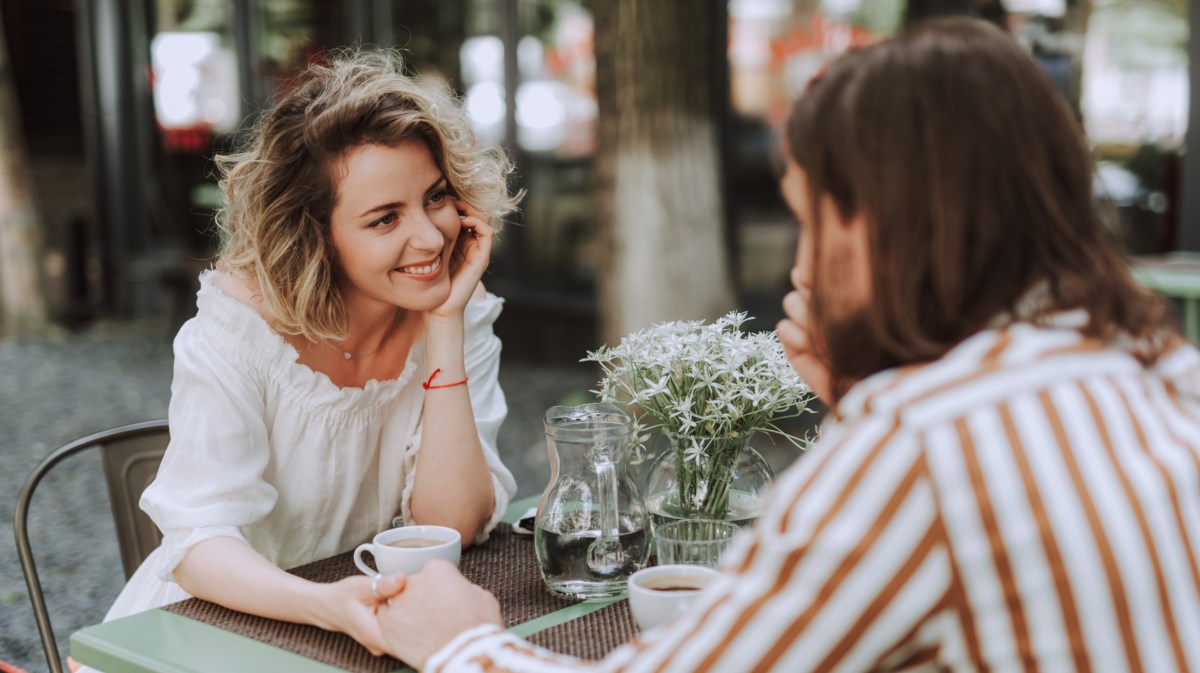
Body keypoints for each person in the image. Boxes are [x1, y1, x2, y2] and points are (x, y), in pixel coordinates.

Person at [368, 17, 1200, 672]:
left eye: (812, 219)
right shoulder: (1159, 367)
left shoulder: (923, 441)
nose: (802, 262)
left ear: (884, 226)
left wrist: (461, 644)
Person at [97, 48, 521, 658]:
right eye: (384, 219)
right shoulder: (239, 327)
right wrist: (329, 606)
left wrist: (446, 327)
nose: (430, 236)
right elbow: (196, 545)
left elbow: (450, 524)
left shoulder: (455, 307)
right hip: (209, 632)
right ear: (315, 236)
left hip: (359, 626)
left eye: (434, 197)